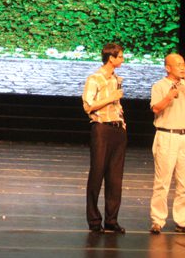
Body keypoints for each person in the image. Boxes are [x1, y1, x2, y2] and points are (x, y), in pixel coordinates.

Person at [149, 53, 185, 235]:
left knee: (184, 182)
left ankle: (183, 220)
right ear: (168, 68)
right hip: (167, 135)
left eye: (184, 64)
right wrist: (169, 96)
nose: (182, 67)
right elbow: (156, 108)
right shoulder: (159, 86)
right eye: (178, 64)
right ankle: (158, 220)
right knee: (162, 182)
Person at [82, 42, 127, 233]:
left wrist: (122, 122)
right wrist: (111, 97)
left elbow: (117, 105)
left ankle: (111, 219)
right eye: (120, 56)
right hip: (101, 129)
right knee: (97, 174)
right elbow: (88, 106)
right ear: (111, 58)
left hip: (118, 129)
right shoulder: (95, 79)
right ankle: (94, 221)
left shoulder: (116, 79)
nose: (123, 60)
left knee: (115, 178)